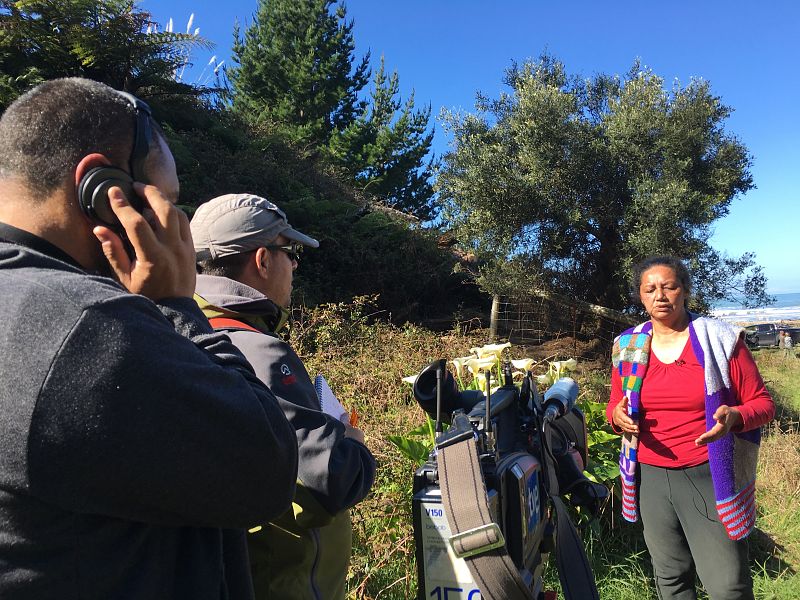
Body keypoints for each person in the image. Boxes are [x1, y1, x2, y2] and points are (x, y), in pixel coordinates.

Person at [0, 79, 299, 599]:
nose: (177, 223)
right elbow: (265, 469)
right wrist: (177, 305)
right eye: (170, 201)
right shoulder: (90, 327)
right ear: (103, 190)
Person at [190, 194, 376, 600]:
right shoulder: (257, 351)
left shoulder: (182, 331)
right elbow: (331, 480)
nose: (293, 265)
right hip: (280, 582)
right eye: (289, 252)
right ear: (261, 260)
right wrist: (352, 443)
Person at [607, 255, 774, 600]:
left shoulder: (721, 340)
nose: (660, 295)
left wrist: (733, 418)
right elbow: (615, 404)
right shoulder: (627, 346)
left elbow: (762, 404)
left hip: (708, 474)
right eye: (650, 289)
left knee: (728, 584)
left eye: (670, 286)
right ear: (640, 296)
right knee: (671, 578)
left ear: (684, 291)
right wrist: (616, 417)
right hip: (651, 477)